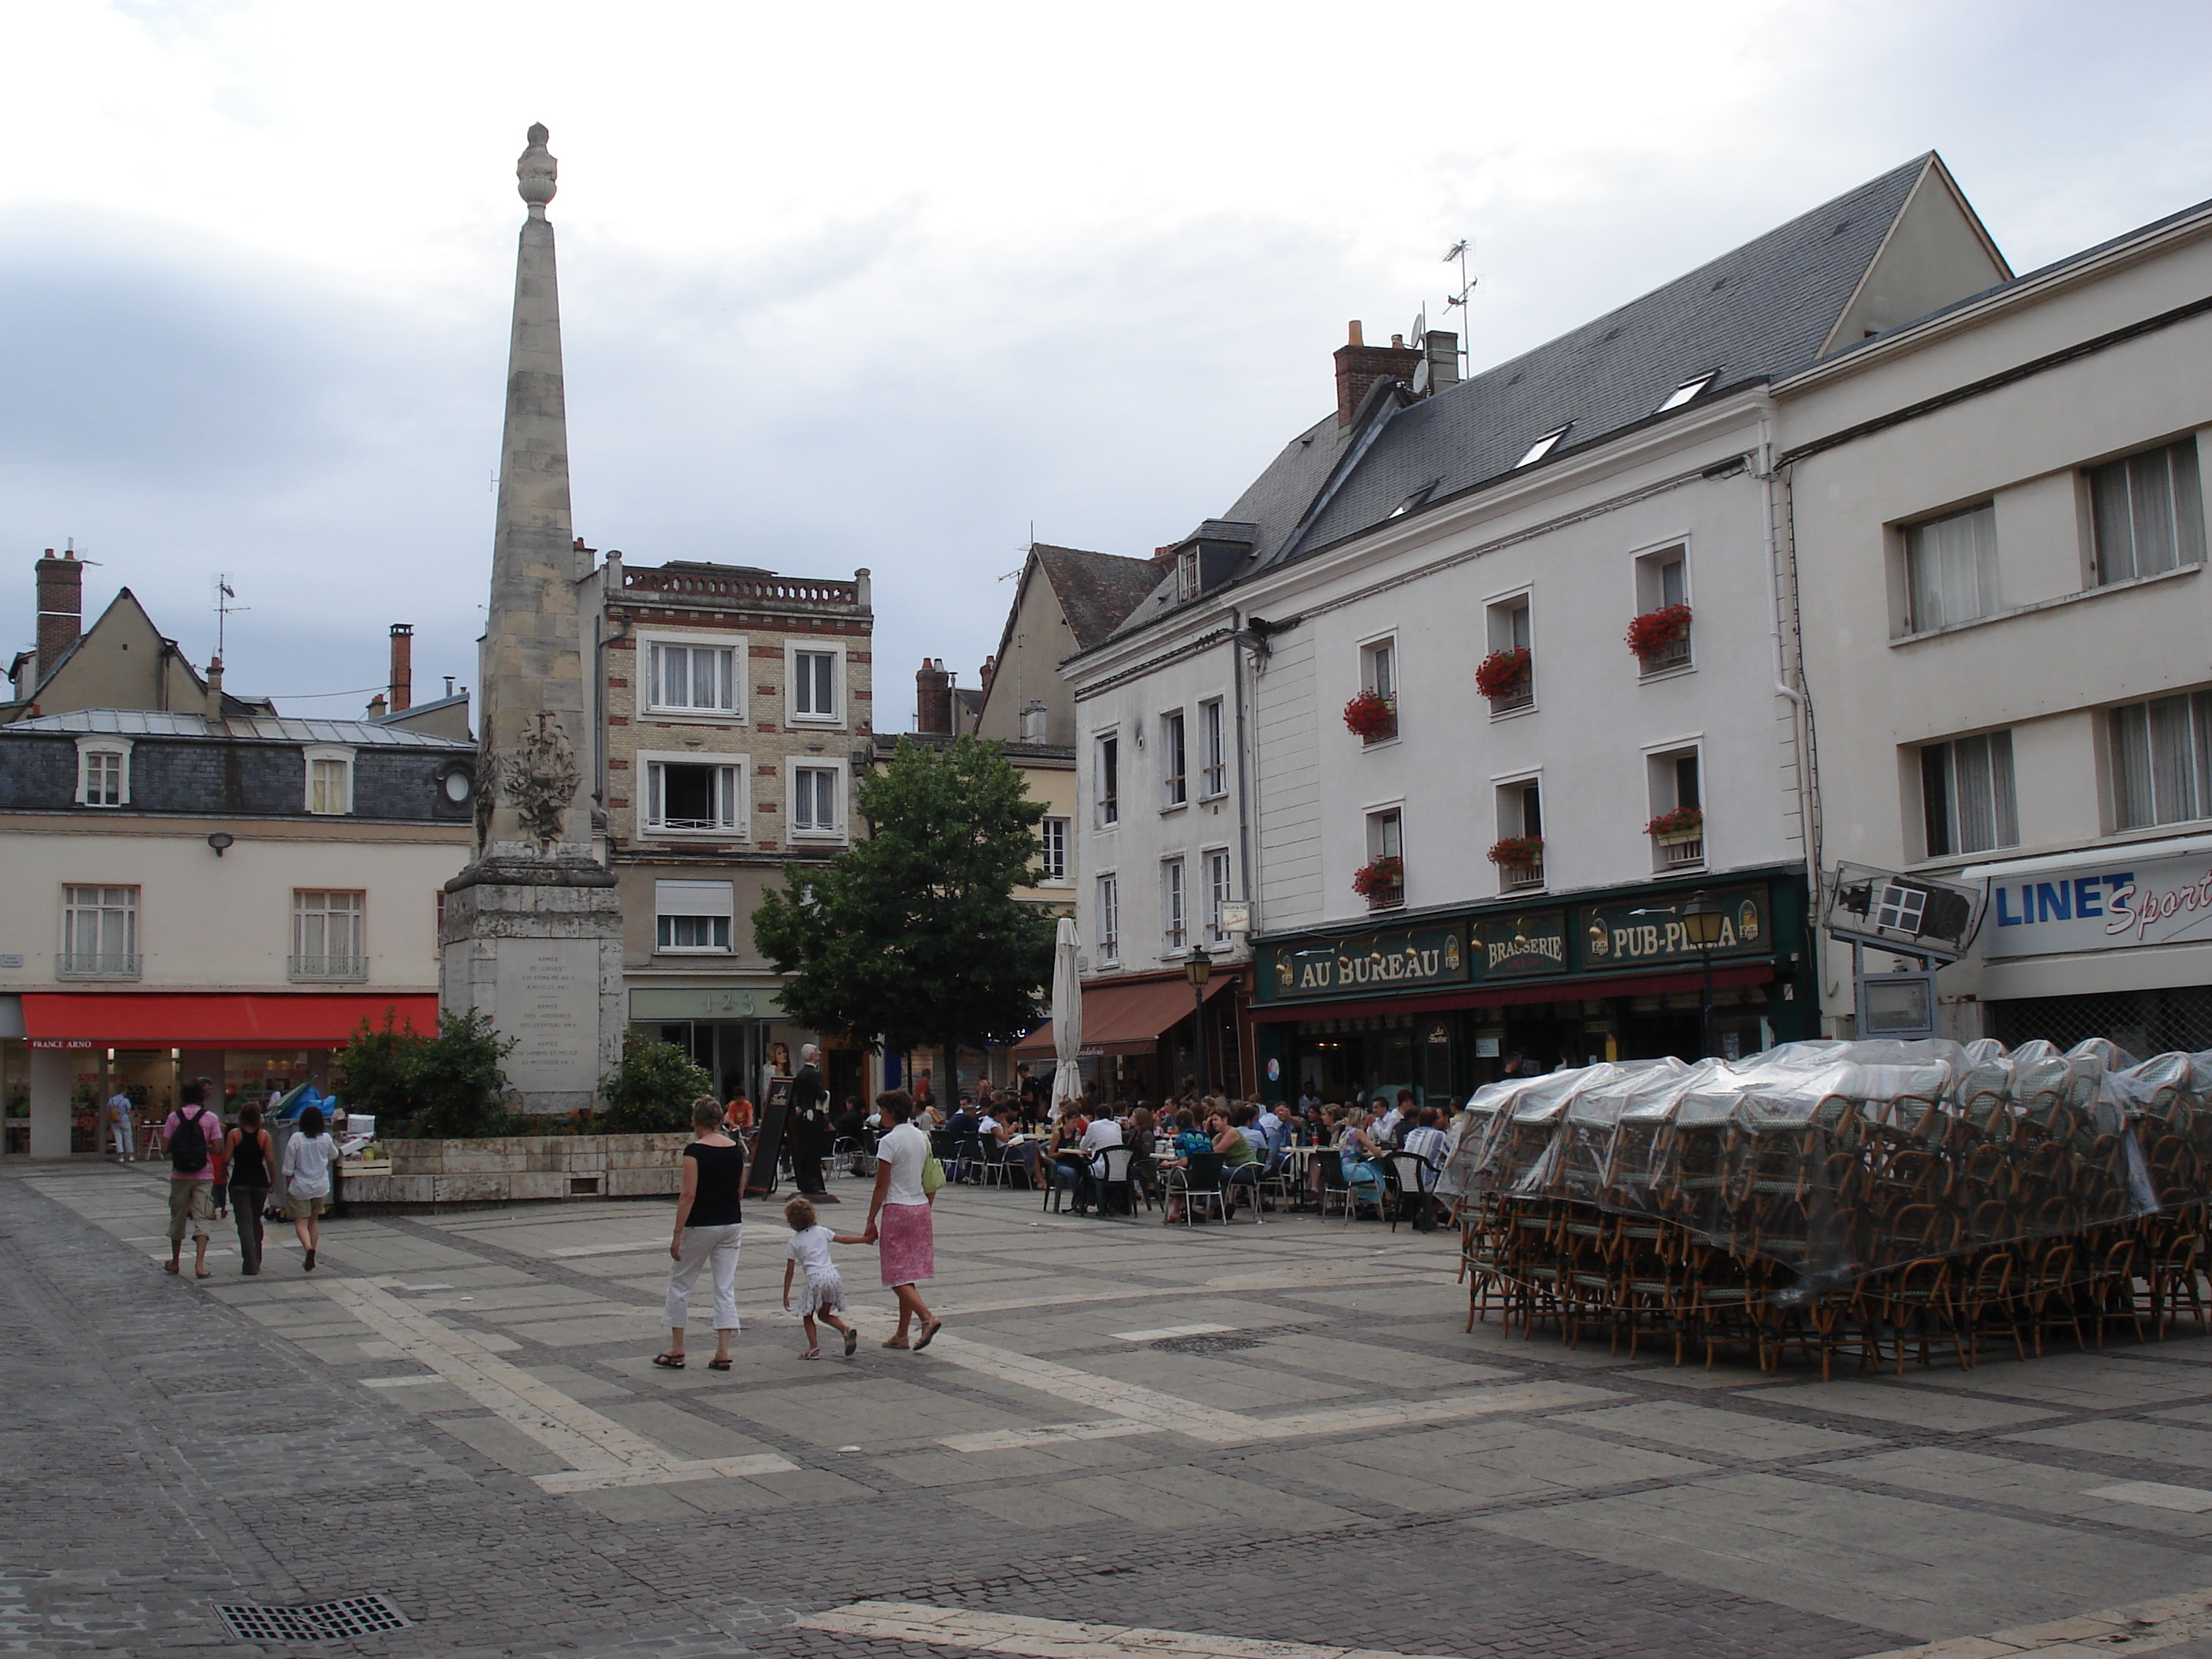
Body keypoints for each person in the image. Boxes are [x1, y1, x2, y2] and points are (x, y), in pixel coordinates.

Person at [657, 1097, 746, 1371]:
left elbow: (688, 1194)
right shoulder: (735, 1149)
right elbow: (740, 1190)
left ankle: (677, 1348)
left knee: (680, 1285)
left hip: (701, 1224)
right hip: (731, 1223)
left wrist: (676, 1233)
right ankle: (723, 1351)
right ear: (720, 1121)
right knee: (724, 1287)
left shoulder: (694, 1151)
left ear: (697, 1122)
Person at [861, 1090, 940, 1350]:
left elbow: (881, 1185)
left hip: (897, 1208)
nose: (880, 1114)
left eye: (883, 1110)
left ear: (892, 1111)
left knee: (896, 1274)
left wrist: (871, 1218)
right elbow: (931, 1175)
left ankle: (926, 1317)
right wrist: (925, 1204)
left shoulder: (889, 1141)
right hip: (920, 1207)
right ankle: (902, 1333)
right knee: (909, 1272)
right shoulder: (921, 1137)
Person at [781, 1196, 863, 1360]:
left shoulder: (793, 1243)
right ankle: (845, 1330)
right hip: (833, 1277)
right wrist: (864, 1239)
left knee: (807, 1314)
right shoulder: (822, 1231)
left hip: (815, 1279)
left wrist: (785, 1295)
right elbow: (843, 1239)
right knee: (824, 1314)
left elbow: (789, 1272)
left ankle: (814, 1348)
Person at [163, 1080, 221, 1279]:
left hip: (179, 1175)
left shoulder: (173, 1117)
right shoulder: (210, 1118)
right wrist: (204, 1147)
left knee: (177, 1217)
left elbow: (164, 1148)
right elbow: (218, 1148)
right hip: (203, 1174)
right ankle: (200, 1265)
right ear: (201, 1096)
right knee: (202, 1217)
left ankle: (175, 1261)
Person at [281, 1104, 339, 1271]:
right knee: (313, 1221)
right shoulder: (326, 1138)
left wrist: (288, 1186)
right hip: (320, 1186)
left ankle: (308, 1248)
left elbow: (288, 1168)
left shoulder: (296, 1139)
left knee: (301, 1222)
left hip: (300, 1186)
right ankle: (312, 1251)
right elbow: (334, 1155)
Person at [225, 1104, 276, 1275]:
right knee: (256, 1220)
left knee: (244, 1224)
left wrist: (223, 1172)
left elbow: (225, 1159)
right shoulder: (264, 1136)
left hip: (239, 1182)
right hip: (260, 1182)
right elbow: (270, 1160)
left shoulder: (235, 1135)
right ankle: (257, 1258)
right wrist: (273, 1181)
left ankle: (250, 1263)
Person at [105, 1086, 136, 1163]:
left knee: (118, 1138)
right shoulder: (126, 1100)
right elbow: (129, 1112)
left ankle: (121, 1156)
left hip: (114, 1121)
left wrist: (108, 1122)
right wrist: (132, 1122)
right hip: (125, 1120)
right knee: (128, 1137)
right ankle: (130, 1156)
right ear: (124, 1091)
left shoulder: (111, 1100)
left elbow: (108, 1112)